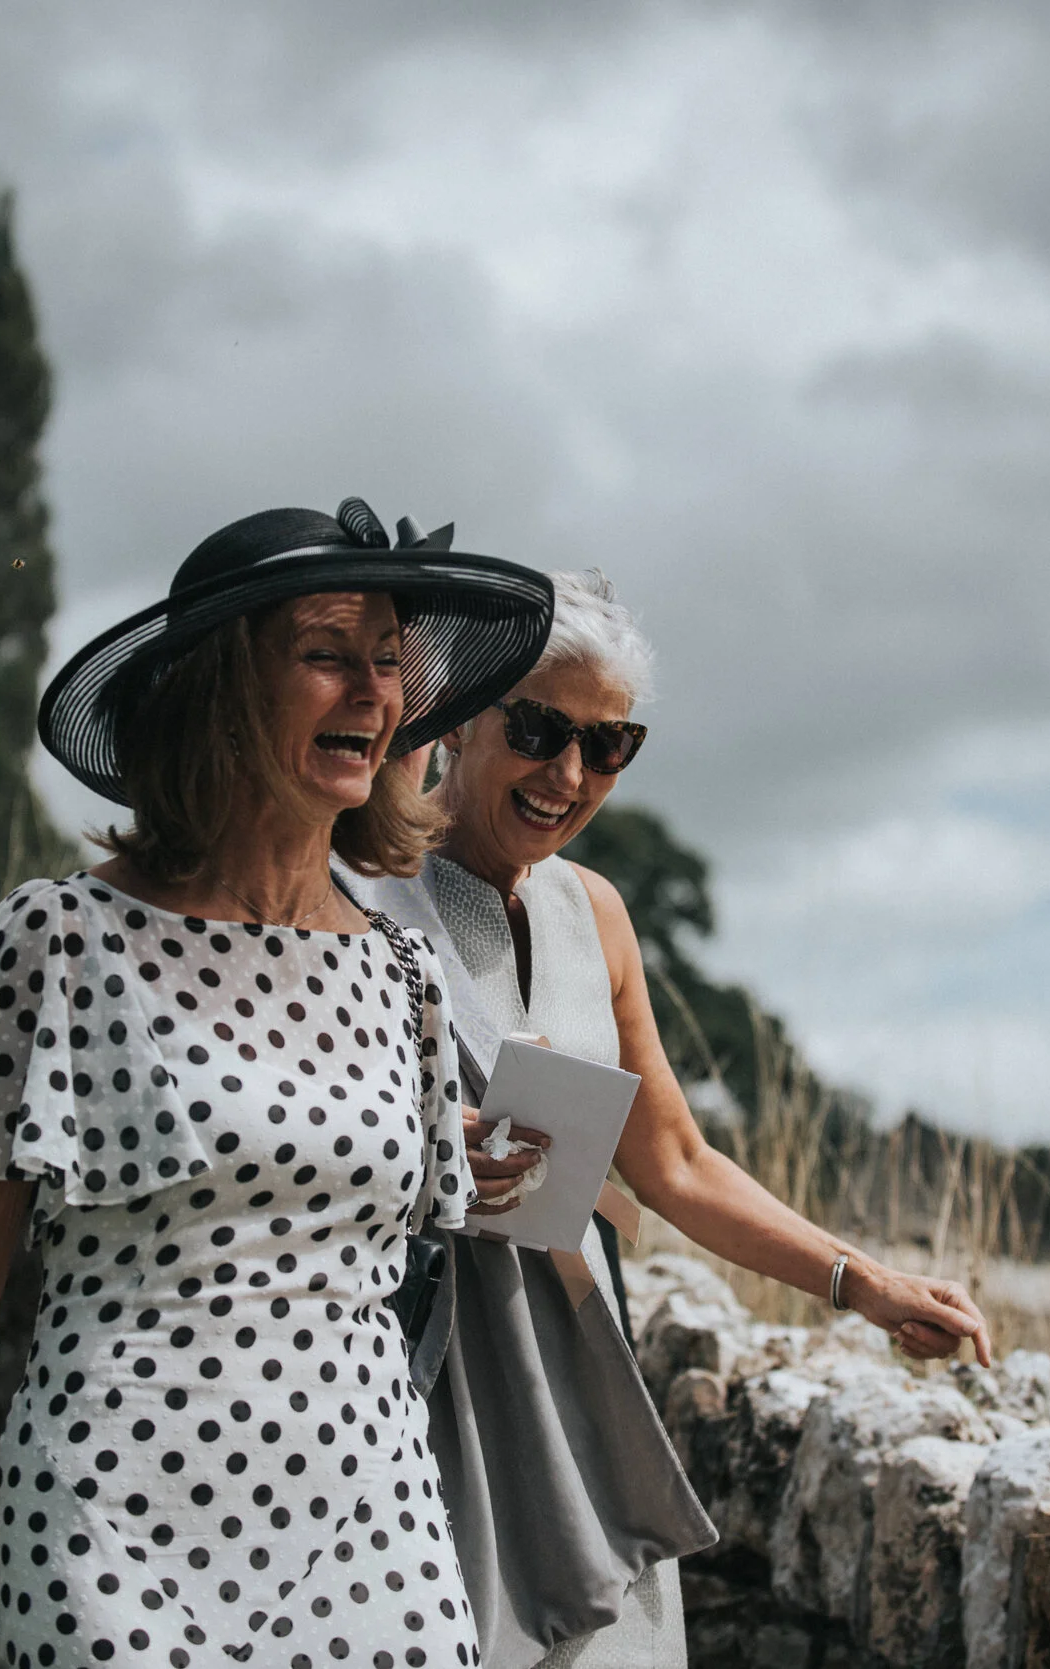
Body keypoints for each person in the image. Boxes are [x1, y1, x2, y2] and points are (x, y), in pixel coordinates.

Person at [0, 500, 556, 1669]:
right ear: (219, 691)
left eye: (389, 662)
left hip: (372, 1539)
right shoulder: (58, 940)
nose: (374, 695)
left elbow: (391, 1222)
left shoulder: (404, 970)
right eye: (328, 655)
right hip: (111, 1537)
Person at [347, 571, 994, 1669]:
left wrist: (864, 1282)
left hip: (582, 1378)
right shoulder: (349, 892)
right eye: (542, 729)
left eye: (608, 746)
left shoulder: (594, 910)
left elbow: (677, 1164)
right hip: (414, 1381)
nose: (568, 775)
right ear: (455, 720)